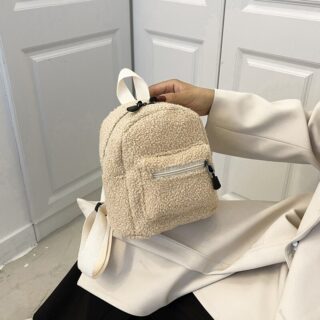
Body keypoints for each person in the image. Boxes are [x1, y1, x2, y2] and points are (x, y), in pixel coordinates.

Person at [34, 78, 320, 320]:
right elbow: (314, 131)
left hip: (301, 293)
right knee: (120, 245)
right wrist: (213, 103)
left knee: (134, 275)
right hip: (300, 230)